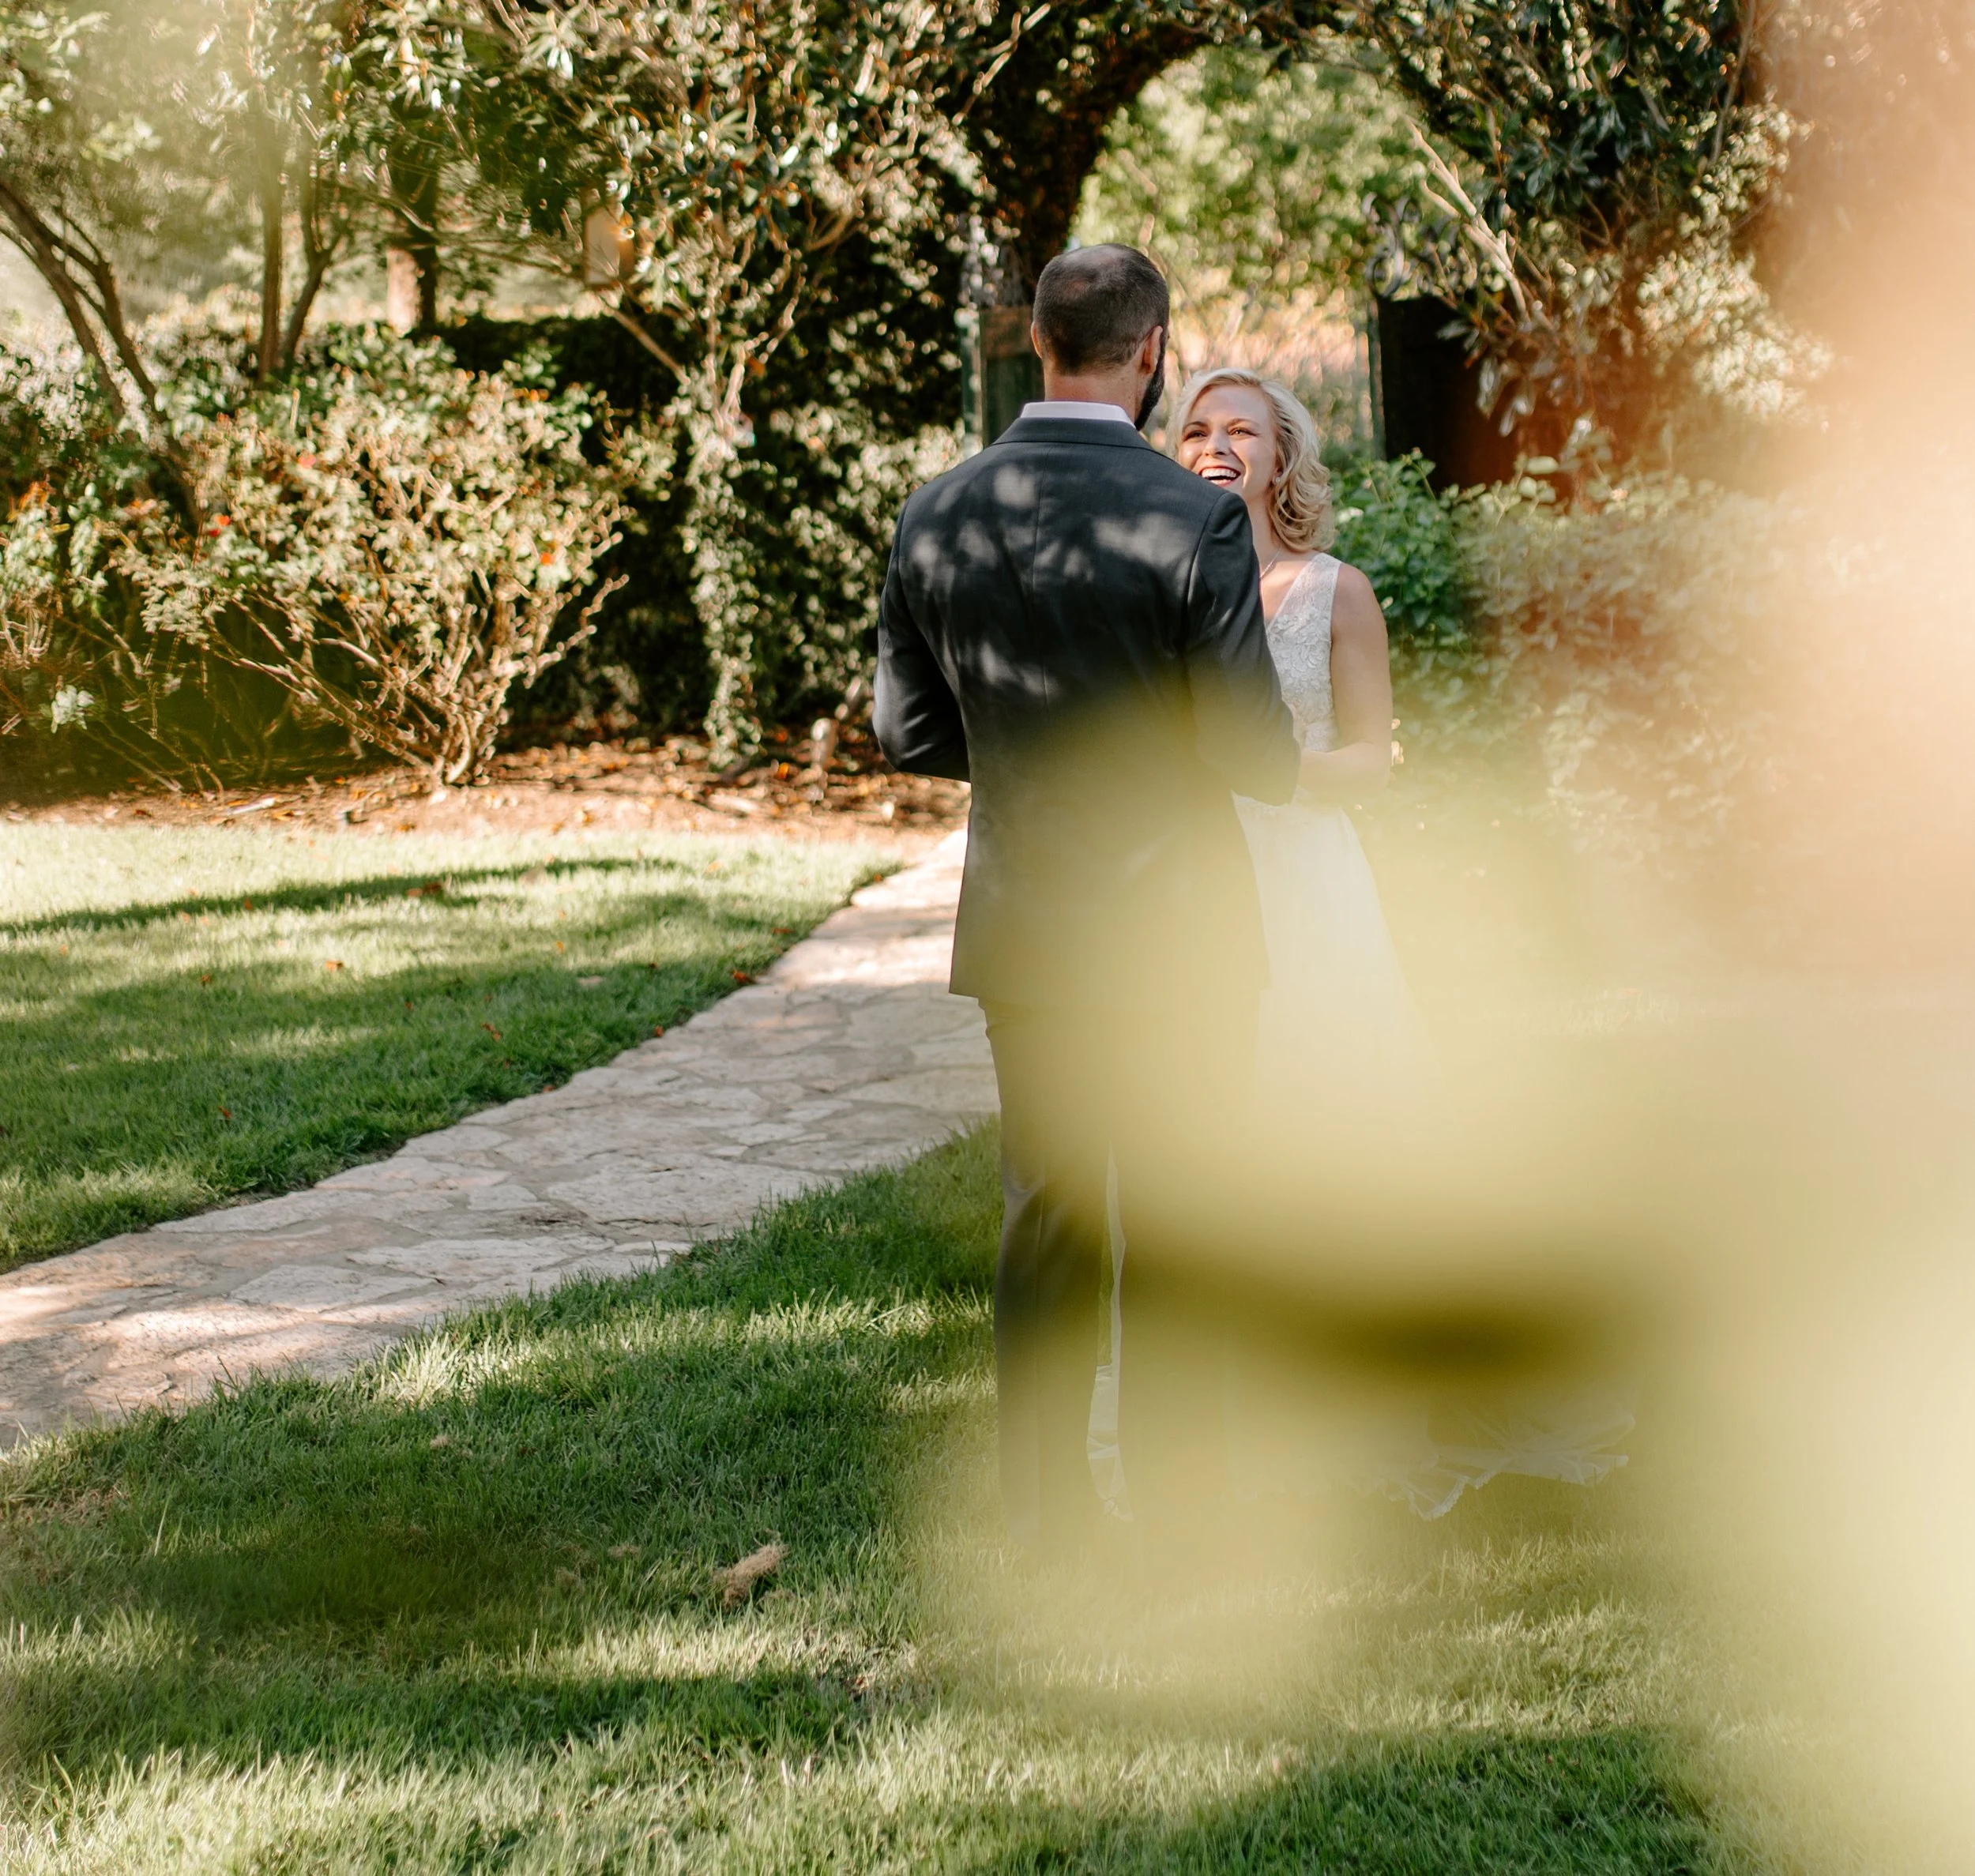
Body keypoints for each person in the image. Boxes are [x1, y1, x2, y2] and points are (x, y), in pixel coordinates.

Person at [873, 246, 1301, 1560]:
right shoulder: (1195, 519)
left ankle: (1047, 1524)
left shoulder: (935, 511)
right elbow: (1255, 759)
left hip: (1033, 933)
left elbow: (905, 734)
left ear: (1039, 344)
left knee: (1048, 1215)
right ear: (1152, 350)